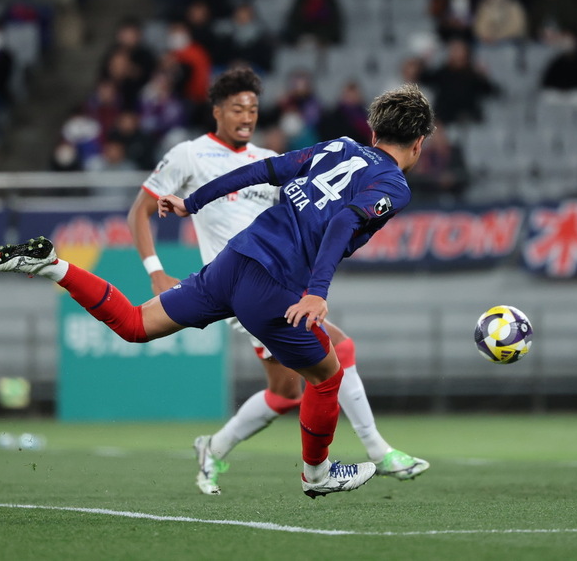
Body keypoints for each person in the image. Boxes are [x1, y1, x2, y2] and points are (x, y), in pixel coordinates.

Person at [0, 83, 436, 498]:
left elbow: (263, 170)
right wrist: (317, 292)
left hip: (232, 262)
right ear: (418, 143)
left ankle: (53, 265)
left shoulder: (338, 146)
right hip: (274, 285)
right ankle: (317, 474)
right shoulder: (393, 185)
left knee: (135, 324)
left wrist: (191, 202)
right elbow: (342, 222)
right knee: (327, 375)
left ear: (373, 131)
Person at [125, 67, 428, 495]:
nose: (247, 115)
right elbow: (140, 210)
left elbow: (285, 190)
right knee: (336, 354)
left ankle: (213, 447)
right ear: (217, 111)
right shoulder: (189, 155)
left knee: (286, 391)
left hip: (272, 272)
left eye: (253, 107)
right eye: (237, 107)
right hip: (245, 277)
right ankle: (371, 454)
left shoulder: (280, 154)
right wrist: (156, 268)